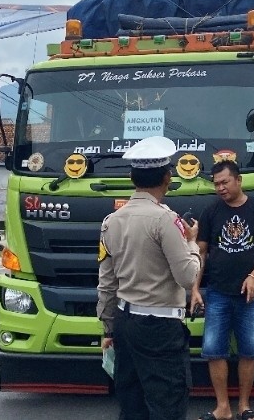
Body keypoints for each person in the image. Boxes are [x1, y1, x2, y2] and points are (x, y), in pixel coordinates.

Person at [97, 136, 201, 420]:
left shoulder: (111, 221)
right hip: (160, 327)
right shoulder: (165, 220)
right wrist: (193, 245)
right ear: (167, 177)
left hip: (124, 323)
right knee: (168, 403)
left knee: (132, 404)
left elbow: (107, 282)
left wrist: (108, 330)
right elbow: (188, 277)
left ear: (132, 178)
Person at [191, 160, 254, 420]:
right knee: (213, 350)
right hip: (217, 291)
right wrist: (195, 288)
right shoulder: (211, 212)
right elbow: (201, 253)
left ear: (238, 180)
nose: (220, 188)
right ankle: (223, 408)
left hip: (249, 295)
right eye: (216, 184)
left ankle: (244, 405)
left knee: (249, 350)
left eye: (224, 182)